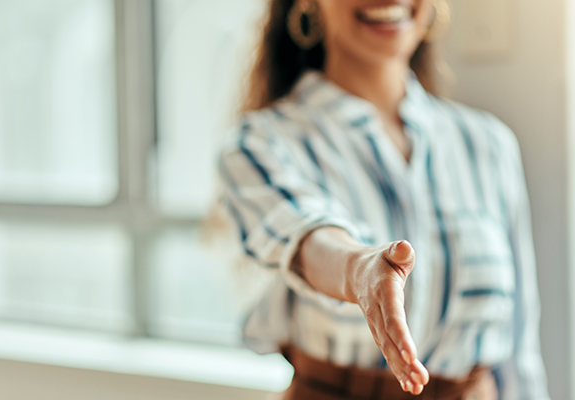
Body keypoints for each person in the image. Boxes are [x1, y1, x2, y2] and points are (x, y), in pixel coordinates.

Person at [217, 0, 550, 398]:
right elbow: (306, 235)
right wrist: (359, 270)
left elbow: (519, 349)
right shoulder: (260, 144)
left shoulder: (488, 145)